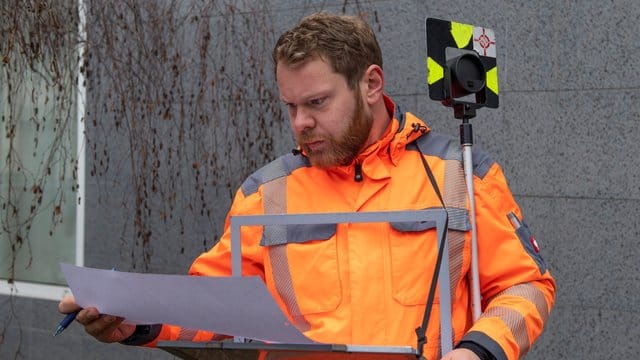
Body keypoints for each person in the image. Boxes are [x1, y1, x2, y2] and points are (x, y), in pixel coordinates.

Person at [59, 12, 555, 360]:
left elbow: (525, 287)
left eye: (317, 102)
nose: (301, 123)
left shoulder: (461, 175)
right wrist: (138, 323)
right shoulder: (265, 193)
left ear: (372, 84)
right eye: (291, 107)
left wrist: (477, 351)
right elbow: (212, 310)